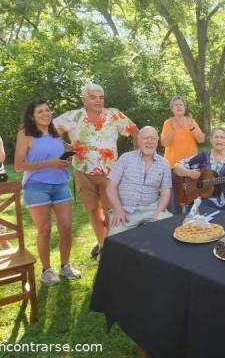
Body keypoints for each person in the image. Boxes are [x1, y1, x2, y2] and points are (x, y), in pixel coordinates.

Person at [53, 83, 137, 260]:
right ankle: (102, 246)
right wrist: (65, 146)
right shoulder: (73, 117)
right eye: (93, 97)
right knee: (93, 210)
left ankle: (113, 244)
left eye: (101, 97)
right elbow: (51, 131)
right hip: (83, 172)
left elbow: (134, 131)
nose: (98, 101)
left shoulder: (113, 114)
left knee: (110, 212)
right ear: (84, 100)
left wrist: (135, 157)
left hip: (110, 173)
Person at [14, 100, 81, 285]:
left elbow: (64, 152)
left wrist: (65, 160)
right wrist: (50, 163)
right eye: (40, 111)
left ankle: (65, 266)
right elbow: (19, 166)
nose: (46, 113)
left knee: (66, 228)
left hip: (60, 184)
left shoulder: (56, 134)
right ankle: (46, 270)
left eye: (48, 110)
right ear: (31, 116)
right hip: (36, 187)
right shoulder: (25, 134)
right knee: (44, 230)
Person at [106, 126, 172, 236]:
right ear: (139, 140)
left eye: (153, 139)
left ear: (157, 141)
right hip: (125, 209)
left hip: (152, 208)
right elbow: (110, 187)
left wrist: (159, 213)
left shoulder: (164, 163)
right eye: (146, 138)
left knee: (171, 230)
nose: (150, 142)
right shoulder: (125, 158)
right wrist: (118, 210)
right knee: (114, 240)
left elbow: (165, 193)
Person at [173, 127, 225, 212]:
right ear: (211, 139)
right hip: (206, 199)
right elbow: (176, 167)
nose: (219, 140)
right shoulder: (203, 156)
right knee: (200, 215)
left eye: (222, 137)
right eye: (216, 137)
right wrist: (189, 173)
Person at [161, 96, 205, 213]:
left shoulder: (191, 121)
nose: (179, 106)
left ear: (184, 107)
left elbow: (201, 139)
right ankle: (174, 223)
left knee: (193, 198)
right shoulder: (168, 123)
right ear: (172, 109)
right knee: (174, 201)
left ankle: (192, 224)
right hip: (172, 167)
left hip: (191, 167)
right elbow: (164, 143)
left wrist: (192, 128)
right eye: (176, 105)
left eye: (181, 104)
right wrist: (172, 129)